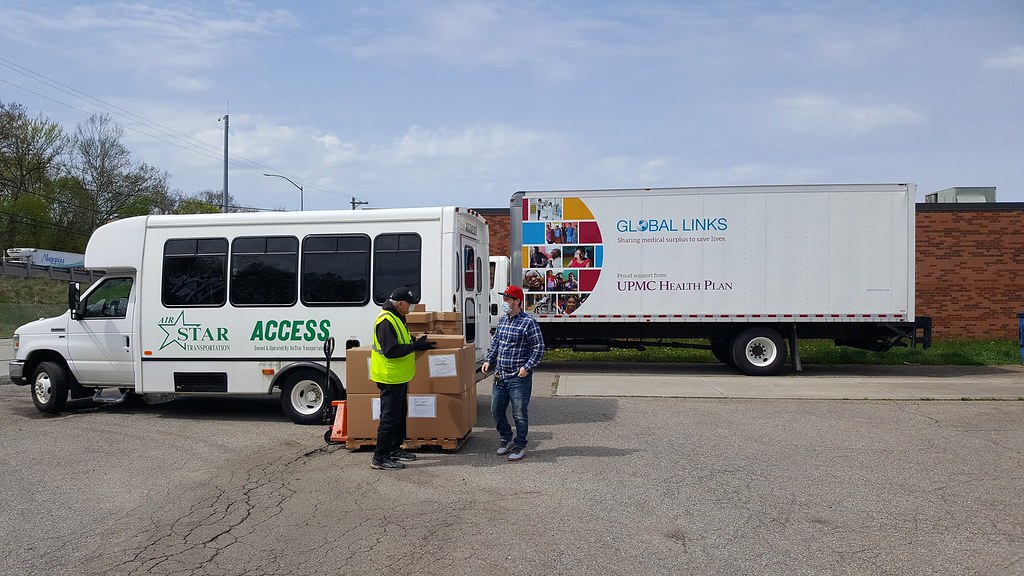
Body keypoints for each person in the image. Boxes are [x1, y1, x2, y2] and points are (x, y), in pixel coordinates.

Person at [369, 286, 436, 470]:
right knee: (389, 419)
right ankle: (380, 458)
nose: (411, 308)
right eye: (409, 304)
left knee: (399, 415)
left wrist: (416, 342)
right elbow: (391, 351)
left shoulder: (398, 317)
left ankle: (394, 449)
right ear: (399, 304)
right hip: (389, 377)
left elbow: (402, 341)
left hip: (399, 377)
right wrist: (415, 348)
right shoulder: (386, 321)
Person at [482, 285, 545, 461]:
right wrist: (488, 360)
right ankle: (506, 438)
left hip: (518, 377)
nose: (504, 302)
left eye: (507, 299)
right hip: (500, 376)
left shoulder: (528, 322)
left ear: (517, 301)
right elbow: (496, 344)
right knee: (496, 410)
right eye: (504, 298)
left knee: (519, 413)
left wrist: (527, 368)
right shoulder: (502, 321)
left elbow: (539, 348)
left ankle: (520, 445)